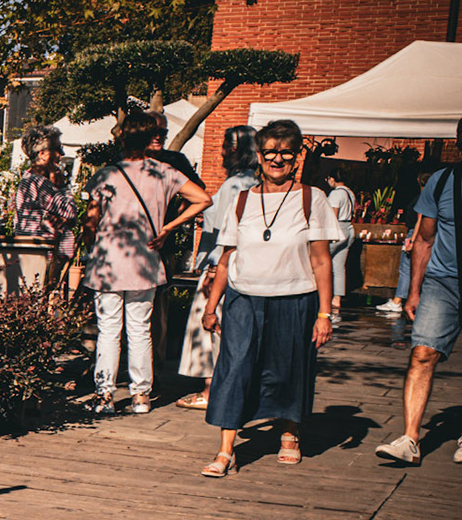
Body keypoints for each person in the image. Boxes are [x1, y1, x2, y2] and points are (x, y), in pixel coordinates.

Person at [199, 119, 337, 476]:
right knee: (233, 369)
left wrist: (325, 313)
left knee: (288, 368)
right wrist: (211, 307)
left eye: (286, 154)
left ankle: (289, 434)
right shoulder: (242, 200)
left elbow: (321, 260)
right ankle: (226, 450)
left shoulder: (312, 199)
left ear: (297, 157)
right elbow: (227, 259)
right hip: (243, 299)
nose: (277, 160)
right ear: (259, 155)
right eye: (270, 153)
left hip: (295, 298)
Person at [82, 108, 212, 414]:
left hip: (108, 262)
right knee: (140, 330)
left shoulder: (107, 174)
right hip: (146, 260)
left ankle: (105, 395)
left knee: (109, 330)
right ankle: (141, 396)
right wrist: (168, 227)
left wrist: (92, 245)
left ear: (124, 136)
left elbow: (90, 222)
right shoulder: (164, 172)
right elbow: (204, 199)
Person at [375, 119, 462, 465]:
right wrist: (413, 291)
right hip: (442, 283)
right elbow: (423, 240)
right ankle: (409, 440)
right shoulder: (441, 182)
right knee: (422, 354)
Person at [176, 125, 261, 409]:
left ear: (235, 149)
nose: (222, 152)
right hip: (242, 267)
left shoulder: (235, 185)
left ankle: (210, 392)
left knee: (210, 327)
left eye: (225, 146)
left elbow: (227, 233)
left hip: (221, 265)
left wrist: (213, 272)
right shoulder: (252, 183)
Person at [10, 124, 76, 282]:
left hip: (37, 251)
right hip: (45, 254)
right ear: (43, 153)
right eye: (58, 149)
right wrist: (61, 187)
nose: (61, 154)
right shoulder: (41, 184)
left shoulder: (29, 179)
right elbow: (71, 211)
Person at [322, 169, 356, 327]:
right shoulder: (350, 193)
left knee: (320, 261)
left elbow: (332, 215)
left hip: (338, 228)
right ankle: (337, 298)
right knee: (338, 266)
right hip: (349, 228)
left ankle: (319, 295)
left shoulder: (336, 194)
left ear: (333, 178)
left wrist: (329, 233)